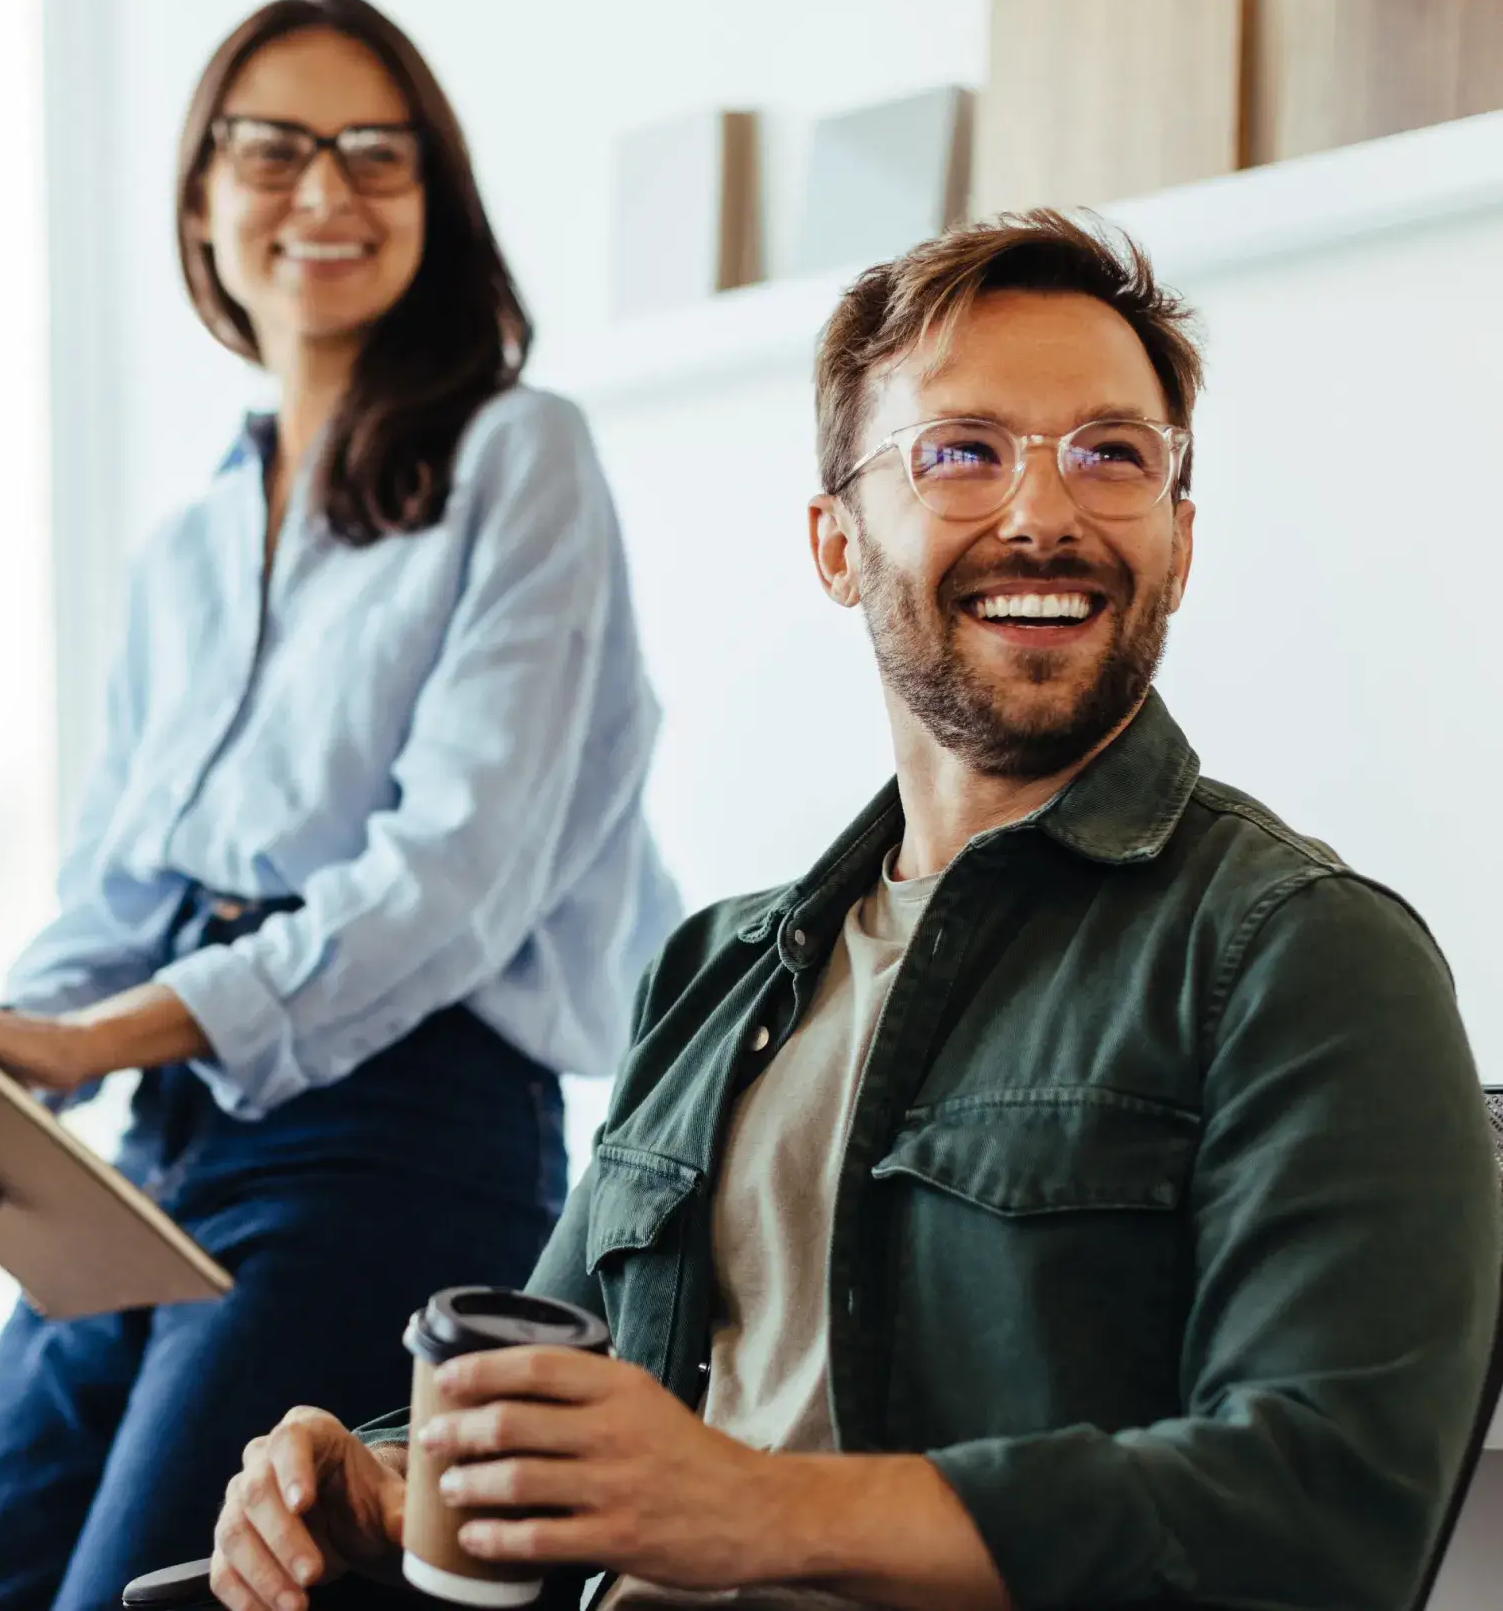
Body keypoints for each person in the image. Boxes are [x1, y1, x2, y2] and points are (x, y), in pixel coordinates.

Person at [200, 212, 1500, 1611]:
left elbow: (1317, 1519)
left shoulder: (1301, 957)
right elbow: (569, 1405)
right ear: (834, 543)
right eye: (962, 451)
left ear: (1177, 543)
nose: (1041, 512)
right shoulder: (714, 967)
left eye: (1110, 454)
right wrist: (385, 1473)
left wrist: (758, 1506)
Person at [0, 0, 679, 1611]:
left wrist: (90, 1037)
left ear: (439, 193)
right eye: (273, 148)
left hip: (400, 1138)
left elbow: (450, 885)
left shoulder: (521, 456)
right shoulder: (190, 542)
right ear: (202, 198)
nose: (325, 193)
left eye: (376, 151)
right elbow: (120, 888)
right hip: (166, 1145)